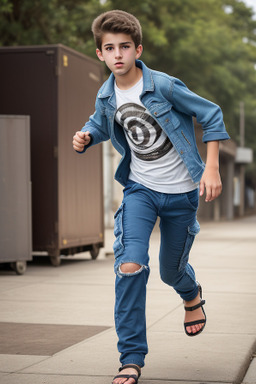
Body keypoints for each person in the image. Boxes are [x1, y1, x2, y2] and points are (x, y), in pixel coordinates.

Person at [72, 10, 230, 384]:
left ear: (137, 49)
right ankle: (131, 357)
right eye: (109, 48)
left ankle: (191, 296)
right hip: (140, 191)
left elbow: (211, 114)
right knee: (130, 266)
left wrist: (212, 168)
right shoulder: (106, 93)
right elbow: (101, 121)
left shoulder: (164, 86)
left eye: (125, 47)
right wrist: (87, 135)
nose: (118, 54)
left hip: (181, 194)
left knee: (170, 271)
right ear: (100, 54)